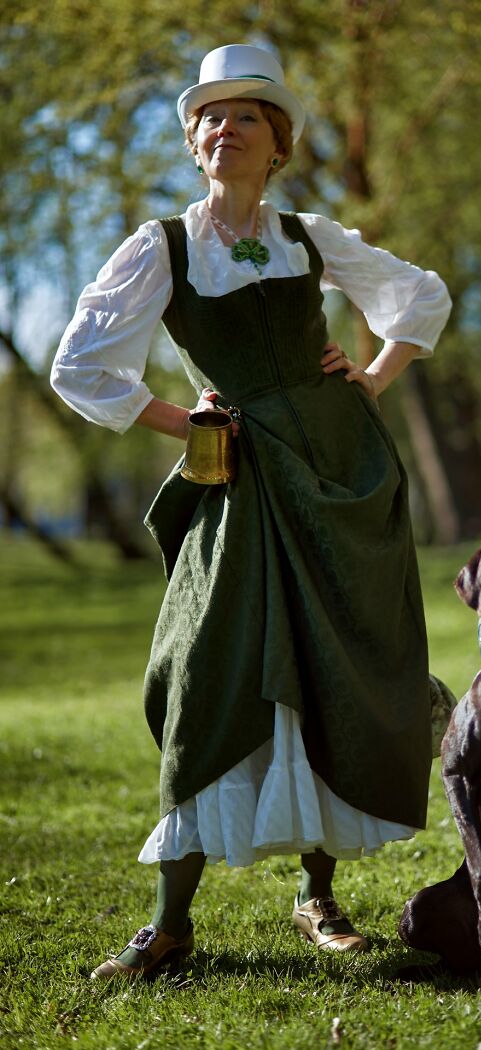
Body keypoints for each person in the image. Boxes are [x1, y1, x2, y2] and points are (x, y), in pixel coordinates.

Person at [51, 43, 452, 979]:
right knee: (210, 670)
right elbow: (82, 364)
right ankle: (169, 924)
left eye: (246, 118)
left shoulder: (309, 235)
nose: (223, 130)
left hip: (340, 477)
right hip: (236, 481)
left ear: (279, 145)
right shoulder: (165, 247)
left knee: (332, 669)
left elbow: (419, 296)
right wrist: (179, 416)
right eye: (208, 120)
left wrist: (372, 379)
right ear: (194, 146)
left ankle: (319, 898)